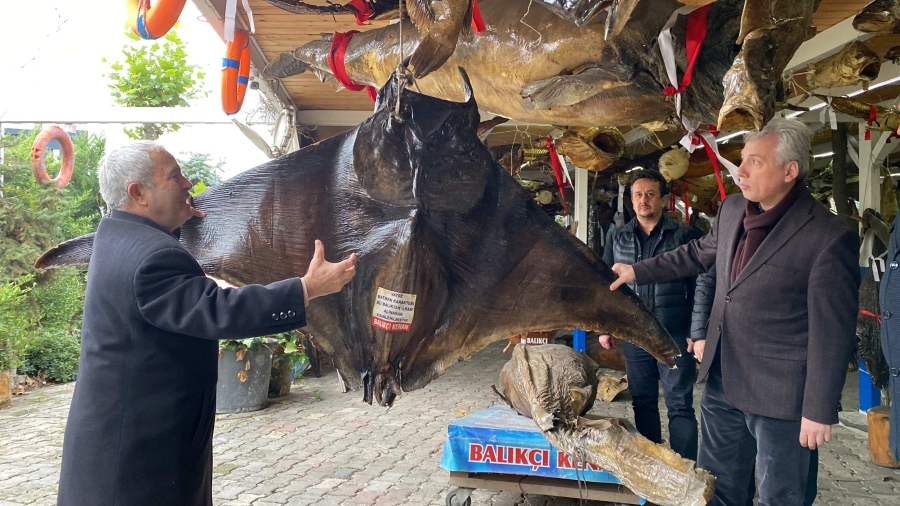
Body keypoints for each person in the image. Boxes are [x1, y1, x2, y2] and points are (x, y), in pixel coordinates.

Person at [56, 141, 358, 506]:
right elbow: (218, 310)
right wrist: (307, 288)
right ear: (138, 193)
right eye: (174, 176)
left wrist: (189, 219)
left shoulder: (117, 234)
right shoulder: (153, 258)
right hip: (140, 460)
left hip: (117, 441)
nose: (188, 183)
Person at [609, 118, 860, 506]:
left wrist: (818, 408)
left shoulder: (827, 237)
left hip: (783, 397)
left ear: (789, 171)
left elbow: (834, 332)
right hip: (724, 381)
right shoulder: (733, 209)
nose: (739, 171)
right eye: (742, 160)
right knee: (721, 489)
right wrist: (636, 270)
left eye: (755, 162)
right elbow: (696, 255)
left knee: (782, 495)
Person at [599, 169, 701, 461]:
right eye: (638, 195)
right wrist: (605, 328)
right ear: (631, 200)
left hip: (674, 334)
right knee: (643, 402)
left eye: (650, 194)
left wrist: (697, 331)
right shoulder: (618, 238)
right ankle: (652, 469)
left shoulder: (684, 236)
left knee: (680, 403)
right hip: (636, 335)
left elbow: (699, 287)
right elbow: (607, 286)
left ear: (663, 199)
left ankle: (685, 470)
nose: (644, 200)